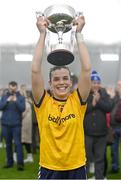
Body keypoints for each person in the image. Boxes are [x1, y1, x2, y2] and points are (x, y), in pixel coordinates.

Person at [31, 14, 91, 179]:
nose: (61, 82)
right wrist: (42, 34)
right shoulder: (43, 103)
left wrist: (79, 33)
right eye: (56, 79)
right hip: (49, 168)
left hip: (76, 167)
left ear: (71, 82)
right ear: (50, 83)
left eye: (65, 78)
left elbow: (86, 70)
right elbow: (35, 70)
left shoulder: (77, 101)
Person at [84, 71, 113, 179]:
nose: (95, 84)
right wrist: (92, 104)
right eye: (93, 82)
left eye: (97, 82)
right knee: (85, 158)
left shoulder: (104, 94)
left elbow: (109, 107)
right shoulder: (85, 94)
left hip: (101, 134)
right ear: (89, 83)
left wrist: (99, 100)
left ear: (100, 83)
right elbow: (81, 111)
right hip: (88, 133)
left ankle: (99, 177)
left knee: (100, 159)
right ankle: (84, 176)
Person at [0, 81, 25, 170]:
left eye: (14, 87)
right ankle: (9, 162)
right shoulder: (4, 96)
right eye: (11, 87)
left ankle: (20, 164)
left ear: (16, 87)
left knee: (18, 144)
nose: (12, 88)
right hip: (5, 124)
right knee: (8, 144)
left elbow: (23, 108)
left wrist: (16, 101)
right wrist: (7, 101)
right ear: (9, 87)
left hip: (16, 125)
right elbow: (0, 107)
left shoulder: (21, 97)